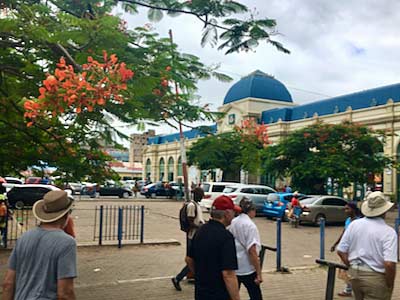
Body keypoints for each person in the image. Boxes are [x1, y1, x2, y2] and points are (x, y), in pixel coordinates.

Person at [2, 190, 77, 300]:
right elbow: (65, 292)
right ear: (66, 215)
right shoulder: (66, 243)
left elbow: (8, 284)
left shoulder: (24, 237)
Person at [337, 191, 397, 300]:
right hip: (376, 276)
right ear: (385, 210)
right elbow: (389, 264)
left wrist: (350, 265)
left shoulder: (354, 224)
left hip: (355, 274)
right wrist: (390, 283)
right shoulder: (389, 232)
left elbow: (341, 250)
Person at [186, 195, 242, 300]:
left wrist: (200, 276)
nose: (235, 215)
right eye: (234, 212)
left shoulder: (200, 231)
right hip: (219, 293)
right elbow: (228, 273)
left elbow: (189, 259)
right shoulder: (226, 237)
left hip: (201, 292)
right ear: (227, 214)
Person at [172, 185, 205, 291]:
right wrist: (200, 226)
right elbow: (191, 221)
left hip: (196, 235)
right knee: (193, 259)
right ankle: (179, 278)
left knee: (195, 259)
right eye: (201, 195)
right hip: (193, 236)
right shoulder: (192, 205)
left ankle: (180, 278)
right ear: (196, 195)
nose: (202, 197)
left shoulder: (196, 205)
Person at [229, 198, 263, 300]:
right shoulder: (250, 226)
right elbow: (252, 251)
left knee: (233, 295)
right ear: (251, 211)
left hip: (233, 265)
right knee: (256, 296)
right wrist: (258, 273)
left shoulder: (233, 222)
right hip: (247, 267)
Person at [330, 201, 361, 297]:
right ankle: (348, 289)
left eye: (347, 209)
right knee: (346, 269)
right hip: (347, 249)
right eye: (345, 209)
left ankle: (354, 289)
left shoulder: (359, 221)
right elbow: (344, 233)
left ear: (353, 209)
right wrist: (335, 244)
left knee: (355, 269)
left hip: (356, 249)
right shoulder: (348, 220)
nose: (345, 211)